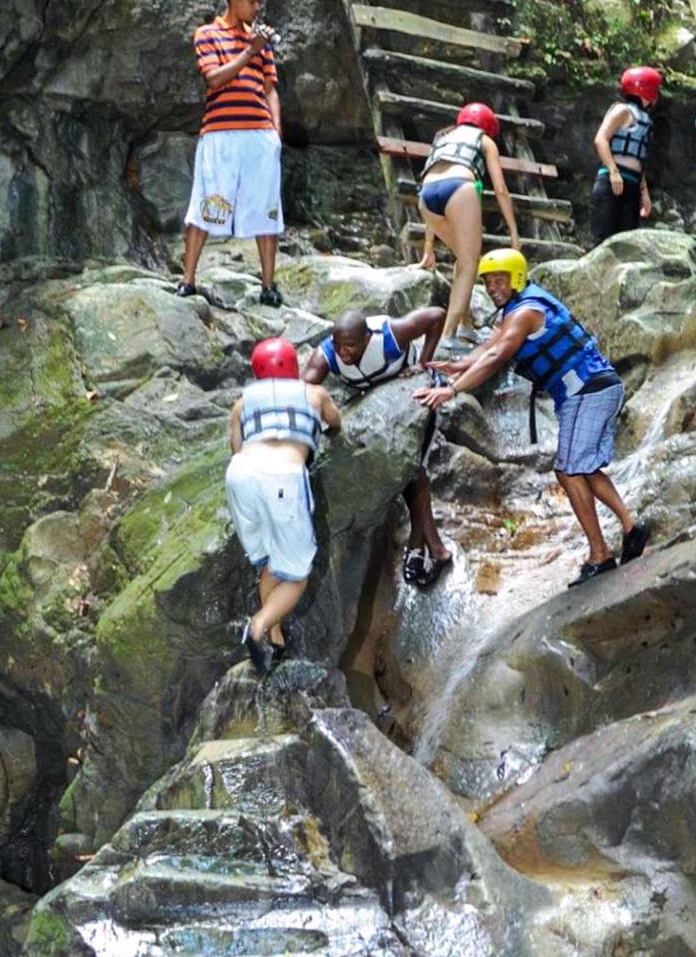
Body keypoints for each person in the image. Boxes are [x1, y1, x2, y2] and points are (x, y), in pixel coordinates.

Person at [416, 250, 650, 589]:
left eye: (500, 280)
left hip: (589, 390)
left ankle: (600, 555)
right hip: (587, 391)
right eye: (488, 281)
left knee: (570, 470)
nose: (493, 287)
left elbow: (498, 356)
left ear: (518, 279)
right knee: (577, 468)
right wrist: (458, 365)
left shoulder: (526, 312)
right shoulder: (514, 312)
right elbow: (488, 348)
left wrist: (452, 390)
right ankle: (631, 528)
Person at [302, 304, 453, 589]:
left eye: (350, 346)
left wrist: (424, 362)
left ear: (367, 338)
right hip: (374, 398)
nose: (342, 352)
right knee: (408, 473)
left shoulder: (390, 335)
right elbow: (303, 387)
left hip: (417, 397)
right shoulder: (326, 354)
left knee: (413, 471)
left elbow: (435, 315)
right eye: (338, 345)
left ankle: (420, 549)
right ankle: (434, 549)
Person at [226, 336, 341, 675]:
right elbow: (336, 422)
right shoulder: (314, 393)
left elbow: (236, 446)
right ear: (293, 366)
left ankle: (274, 643)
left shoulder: (242, 402)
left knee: (272, 564)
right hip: (283, 478)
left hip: (240, 476)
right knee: (297, 575)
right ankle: (258, 626)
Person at [179, 0, 286, 307]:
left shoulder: (260, 41)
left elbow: (270, 88)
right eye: (252, 1)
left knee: (266, 208)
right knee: (206, 202)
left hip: (259, 135)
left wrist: (276, 133)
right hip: (220, 134)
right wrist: (249, 51)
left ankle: (268, 286)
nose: (257, 9)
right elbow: (214, 79)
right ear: (233, 0)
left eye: (259, 2)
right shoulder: (207, 34)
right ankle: (188, 280)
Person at [417, 103, 521, 340]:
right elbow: (501, 189)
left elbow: (433, 181)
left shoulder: (443, 138)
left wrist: (428, 248)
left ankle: (465, 325)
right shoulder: (485, 141)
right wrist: (514, 232)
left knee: (463, 259)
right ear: (489, 126)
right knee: (470, 262)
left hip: (425, 195)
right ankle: (446, 337)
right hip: (459, 188)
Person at [591, 66, 660, 246]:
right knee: (604, 241)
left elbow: (639, 158)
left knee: (626, 244)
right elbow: (601, 139)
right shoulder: (622, 111)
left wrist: (644, 192)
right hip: (611, 182)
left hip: (632, 184)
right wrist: (613, 172)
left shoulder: (645, 119)